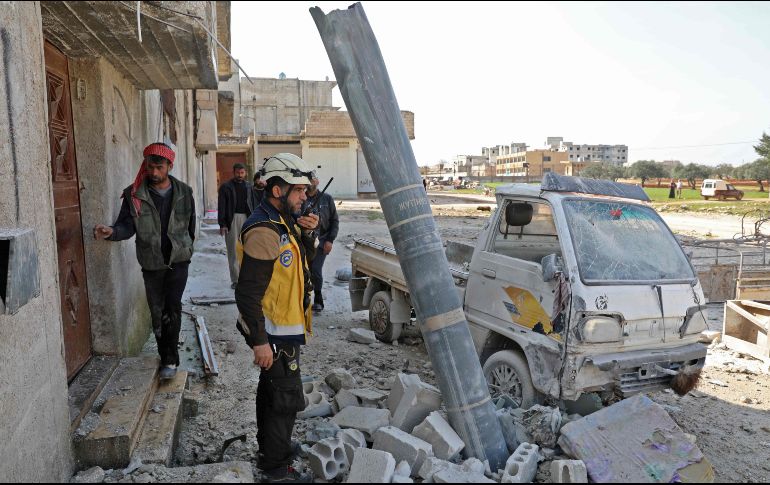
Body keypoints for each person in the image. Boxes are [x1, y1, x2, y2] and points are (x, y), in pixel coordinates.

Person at [234, 153, 318, 483]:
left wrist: (307, 235)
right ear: (278, 190)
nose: (304, 197)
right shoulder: (264, 230)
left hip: (282, 327)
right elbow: (247, 292)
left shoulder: (282, 223)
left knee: (272, 392)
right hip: (272, 331)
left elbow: (301, 265)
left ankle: (272, 448)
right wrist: (259, 341)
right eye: (298, 191)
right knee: (285, 398)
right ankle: (277, 466)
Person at [93, 142, 195, 381]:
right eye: (150, 167)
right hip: (152, 263)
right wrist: (112, 232)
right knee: (157, 312)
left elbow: (190, 226)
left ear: (170, 165)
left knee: (173, 308)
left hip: (178, 261)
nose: (154, 173)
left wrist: (187, 249)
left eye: (159, 167)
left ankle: (170, 360)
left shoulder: (184, 192)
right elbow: (126, 226)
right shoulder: (133, 194)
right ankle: (165, 352)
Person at [301, 172, 339, 313]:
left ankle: (318, 299)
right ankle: (304, 298)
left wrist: (330, 240)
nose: (311, 182)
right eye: (308, 180)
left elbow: (334, 220)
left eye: (313, 180)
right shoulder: (301, 198)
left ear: (317, 181)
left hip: (322, 241)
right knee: (304, 270)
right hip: (304, 241)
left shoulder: (327, 199)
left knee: (316, 270)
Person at [218, 163, 259, 289]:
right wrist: (223, 224)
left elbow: (254, 203)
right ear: (233, 172)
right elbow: (221, 206)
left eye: (242, 173)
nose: (240, 175)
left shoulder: (249, 187)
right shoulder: (226, 187)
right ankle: (235, 280)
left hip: (247, 219)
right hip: (232, 220)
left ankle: (246, 278)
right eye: (238, 173)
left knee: (248, 249)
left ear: (245, 173)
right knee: (233, 250)